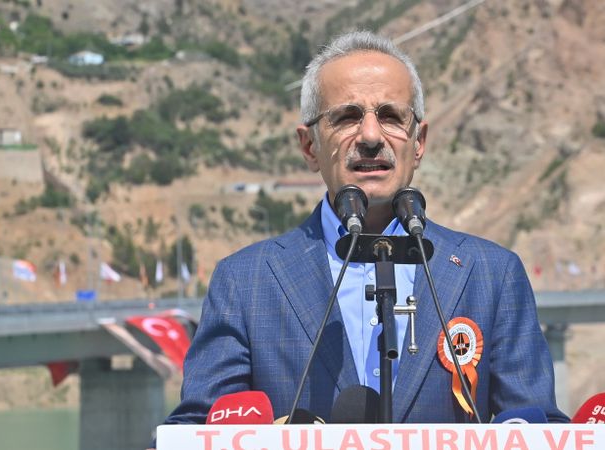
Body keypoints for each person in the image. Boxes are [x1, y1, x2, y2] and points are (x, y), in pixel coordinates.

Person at [161, 30, 567, 428]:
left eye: (390, 116)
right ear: (309, 146)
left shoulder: (492, 274)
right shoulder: (244, 282)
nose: (371, 136)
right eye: (347, 117)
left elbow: (538, 424)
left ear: (419, 142)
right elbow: (199, 428)